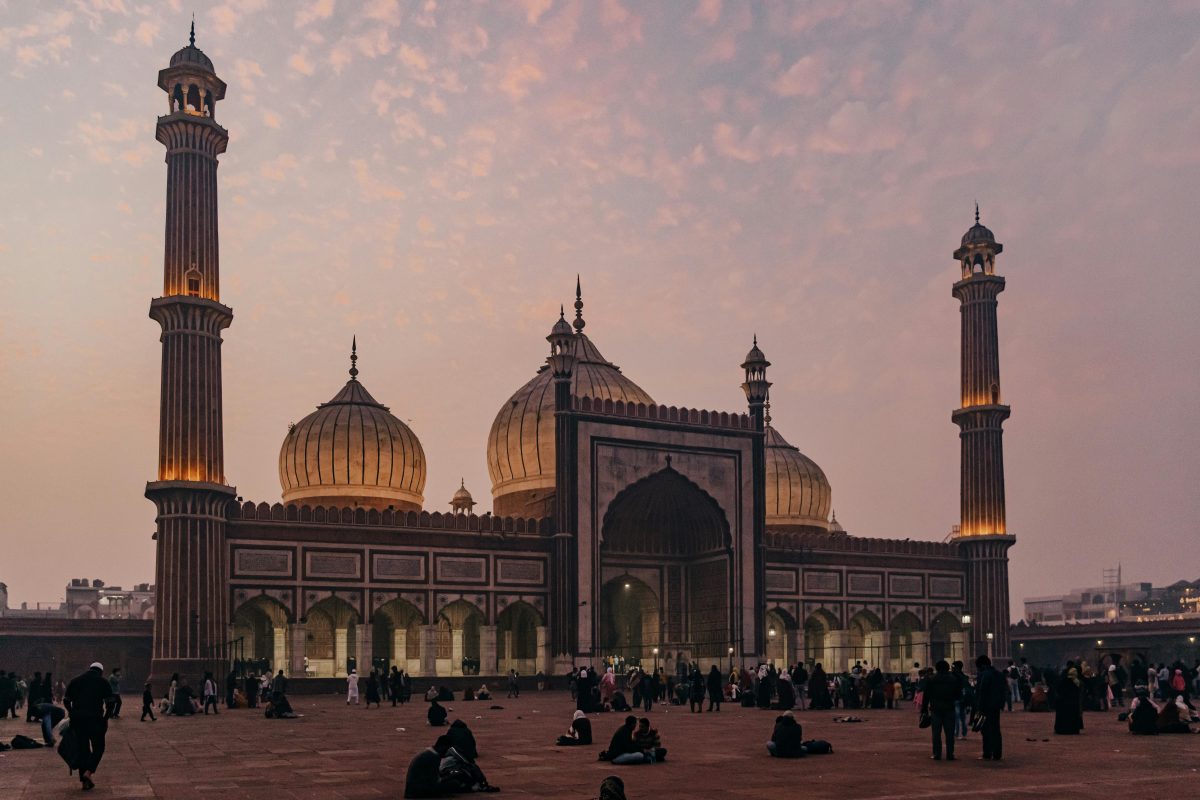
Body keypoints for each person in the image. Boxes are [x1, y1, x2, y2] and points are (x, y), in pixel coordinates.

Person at [64, 662, 114, 791]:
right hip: (95, 720)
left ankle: (84, 782)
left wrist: (72, 712)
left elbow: (66, 700)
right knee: (99, 748)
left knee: (83, 750)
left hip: (78, 721)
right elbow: (110, 703)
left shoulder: (75, 681)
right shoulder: (103, 682)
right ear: (100, 671)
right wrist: (105, 719)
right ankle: (88, 772)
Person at [921, 660, 961, 761]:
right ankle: (950, 754)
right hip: (949, 708)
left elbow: (926, 696)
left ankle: (937, 754)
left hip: (936, 709)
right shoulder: (953, 679)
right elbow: (958, 695)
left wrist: (924, 709)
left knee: (936, 733)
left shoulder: (932, 679)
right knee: (950, 733)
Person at [975, 655, 1006, 761]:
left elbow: (981, 692)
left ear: (982, 665)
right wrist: (1001, 704)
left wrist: (979, 707)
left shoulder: (984, 675)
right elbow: (1004, 690)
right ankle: (997, 753)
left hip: (986, 706)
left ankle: (987, 752)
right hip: (996, 706)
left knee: (986, 730)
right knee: (996, 729)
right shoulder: (999, 674)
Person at [1054, 666, 1083, 735]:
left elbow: (1058, 690)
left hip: (1062, 703)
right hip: (1073, 703)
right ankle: (1072, 730)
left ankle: (1061, 729)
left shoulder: (1063, 680)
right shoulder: (1077, 682)